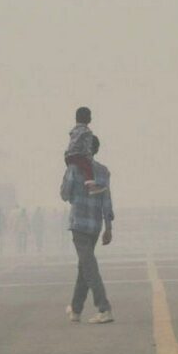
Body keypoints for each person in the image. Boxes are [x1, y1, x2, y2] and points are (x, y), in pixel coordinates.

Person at [61, 135, 115, 324]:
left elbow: (64, 194)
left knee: (89, 267)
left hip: (79, 224)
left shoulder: (74, 169)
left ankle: (104, 308)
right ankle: (76, 309)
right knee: (84, 266)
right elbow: (106, 201)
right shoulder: (103, 171)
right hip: (95, 226)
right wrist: (108, 227)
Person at [64, 107, 105, 195]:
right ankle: (91, 187)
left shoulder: (73, 130)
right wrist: (88, 158)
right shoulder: (87, 132)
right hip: (78, 156)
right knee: (87, 168)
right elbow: (86, 148)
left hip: (68, 157)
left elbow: (65, 195)